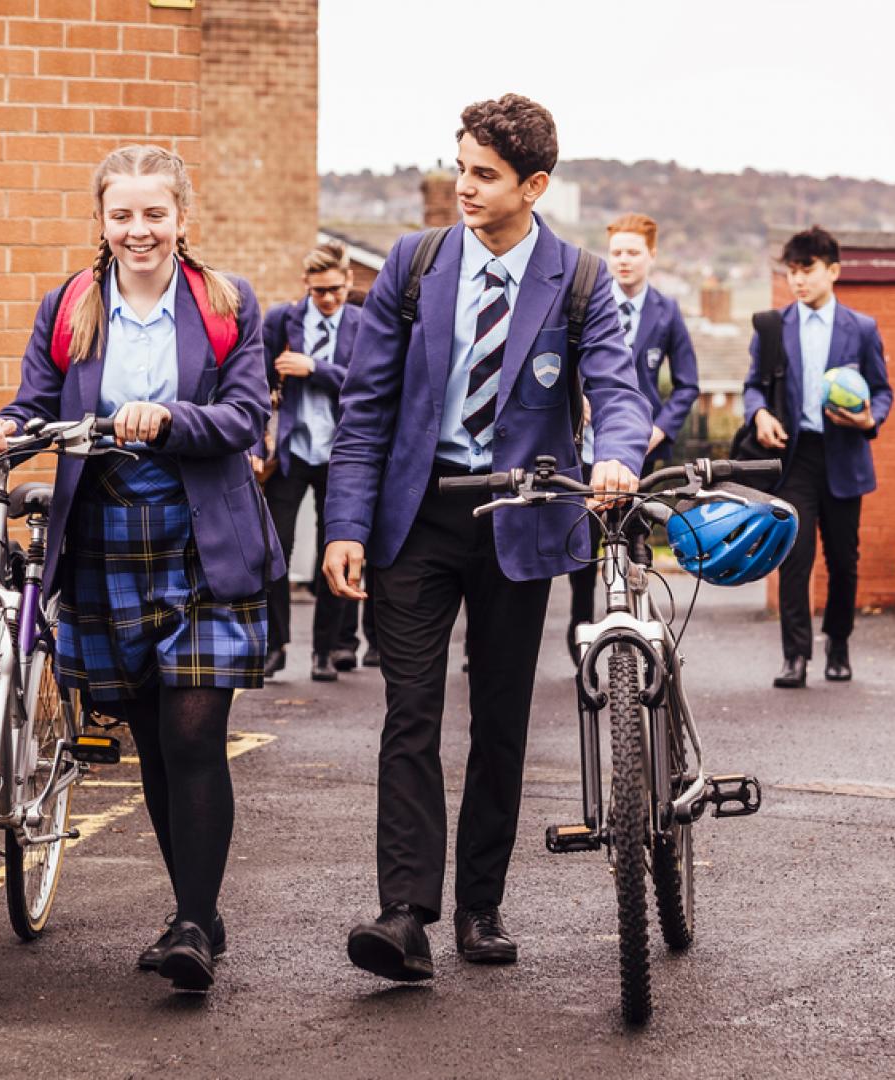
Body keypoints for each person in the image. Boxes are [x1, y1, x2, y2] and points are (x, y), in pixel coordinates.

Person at [322, 94, 651, 982]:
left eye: (484, 175)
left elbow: (618, 392)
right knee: (411, 712)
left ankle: (480, 906)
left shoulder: (578, 279)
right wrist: (345, 524)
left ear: (532, 186)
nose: (463, 186)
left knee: (501, 719)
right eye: (460, 166)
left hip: (521, 514)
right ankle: (404, 914)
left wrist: (615, 457)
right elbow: (365, 410)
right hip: (417, 516)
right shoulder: (414, 264)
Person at [0, 144, 282, 994]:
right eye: (121, 215)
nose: (138, 230)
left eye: (154, 214)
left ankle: (190, 929)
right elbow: (37, 405)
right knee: (151, 739)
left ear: (183, 217)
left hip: (201, 538)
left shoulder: (225, 303)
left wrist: (169, 419)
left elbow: (245, 416)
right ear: (101, 220)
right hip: (102, 539)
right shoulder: (70, 305)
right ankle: (199, 911)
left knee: (192, 732)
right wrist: (0, 425)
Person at [741, 226, 893, 689]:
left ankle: (839, 645)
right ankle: (795, 657)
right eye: (791, 272)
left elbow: (882, 390)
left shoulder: (862, 329)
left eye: (806, 270)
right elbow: (752, 386)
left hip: (845, 454)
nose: (798, 280)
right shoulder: (772, 327)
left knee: (844, 561)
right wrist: (760, 413)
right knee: (795, 555)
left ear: (833, 271)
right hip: (794, 456)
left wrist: (869, 420)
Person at [567, 213, 701, 655]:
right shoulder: (587, 305)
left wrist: (661, 429)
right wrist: (576, 400)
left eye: (633, 253)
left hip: (644, 450)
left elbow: (687, 383)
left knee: (636, 537)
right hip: (586, 448)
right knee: (585, 544)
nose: (623, 261)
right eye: (617, 252)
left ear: (651, 255)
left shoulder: (667, 311)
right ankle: (581, 624)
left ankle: (642, 625)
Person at [255, 239, 367, 682]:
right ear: (306, 285)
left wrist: (315, 368)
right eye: (319, 290)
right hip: (291, 454)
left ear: (349, 282)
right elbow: (256, 382)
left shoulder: (362, 324)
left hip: (341, 456)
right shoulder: (282, 320)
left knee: (333, 552)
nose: (327, 299)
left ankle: (326, 650)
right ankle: (275, 646)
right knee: (274, 550)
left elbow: (367, 387)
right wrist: (254, 442)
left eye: (335, 290)